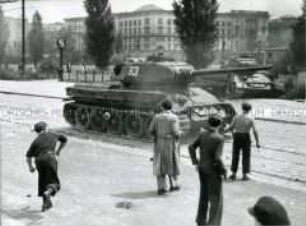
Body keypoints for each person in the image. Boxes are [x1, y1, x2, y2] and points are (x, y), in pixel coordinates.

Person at [188, 115, 227, 226]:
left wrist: (195, 162)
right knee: (216, 199)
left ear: (209, 123)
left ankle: (201, 220)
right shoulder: (219, 138)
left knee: (204, 195)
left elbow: (191, 147)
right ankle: (213, 223)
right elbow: (217, 158)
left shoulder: (202, 134)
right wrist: (223, 170)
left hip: (202, 168)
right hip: (213, 171)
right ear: (219, 125)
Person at [26, 121, 68, 212]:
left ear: (37, 131)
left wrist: (30, 167)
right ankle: (48, 193)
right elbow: (65, 139)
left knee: (43, 182)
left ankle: (46, 204)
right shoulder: (52, 134)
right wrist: (58, 151)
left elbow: (28, 156)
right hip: (50, 157)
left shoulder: (36, 141)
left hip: (38, 160)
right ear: (46, 128)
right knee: (54, 183)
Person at [149, 99, 182, 195]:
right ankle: (174, 185)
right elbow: (176, 132)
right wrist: (180, 134)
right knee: (172, 163)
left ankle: (161, 188)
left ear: (162, 107)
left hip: (159, 143)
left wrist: (158, 136)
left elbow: (151, 130)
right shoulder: (174, 118)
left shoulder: (157, 117)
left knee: (160, 165)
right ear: (171, 107)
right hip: (170, 144)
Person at [224, 102, 260, 181]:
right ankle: (244, 175)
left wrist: (222, 132)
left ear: (242, 108)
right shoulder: (251, 118)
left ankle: (233, 173)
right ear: (250, 109)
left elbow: (230, 127)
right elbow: (255, 131)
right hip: (245, 136)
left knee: (235, 154)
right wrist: (257, 142)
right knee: (246, 156)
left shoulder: (236, 117)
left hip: (237, 136)